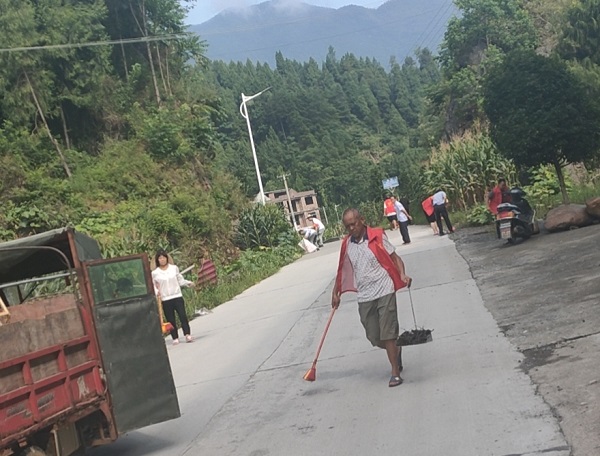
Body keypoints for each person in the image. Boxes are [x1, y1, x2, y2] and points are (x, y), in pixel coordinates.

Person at [331, 208, 412, 388]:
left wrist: (402, 274)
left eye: (354, 224)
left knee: (388, 333)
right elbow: (342, 270)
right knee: (374, 337)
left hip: (384, 289)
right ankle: (396, 349)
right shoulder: (347, 244)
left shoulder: (377, 237)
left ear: (362, 220)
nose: (351, 228)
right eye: (347, 226)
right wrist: (335, 292)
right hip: (365, 295)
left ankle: (395, 373)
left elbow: (395, 258)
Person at [152, 250, 195, 345]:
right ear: (157, 260)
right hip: (165, 299)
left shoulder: (174, 268)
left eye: (163, 257)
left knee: (182, 316)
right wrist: (157, 292)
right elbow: (153, 285)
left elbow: (180, 280)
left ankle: (187, 334)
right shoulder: (155, 273)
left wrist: (188, 283)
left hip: (177, 296)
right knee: (170, 319)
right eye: (160, 258)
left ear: (167, 258)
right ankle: (175, 337)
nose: (162, 260)